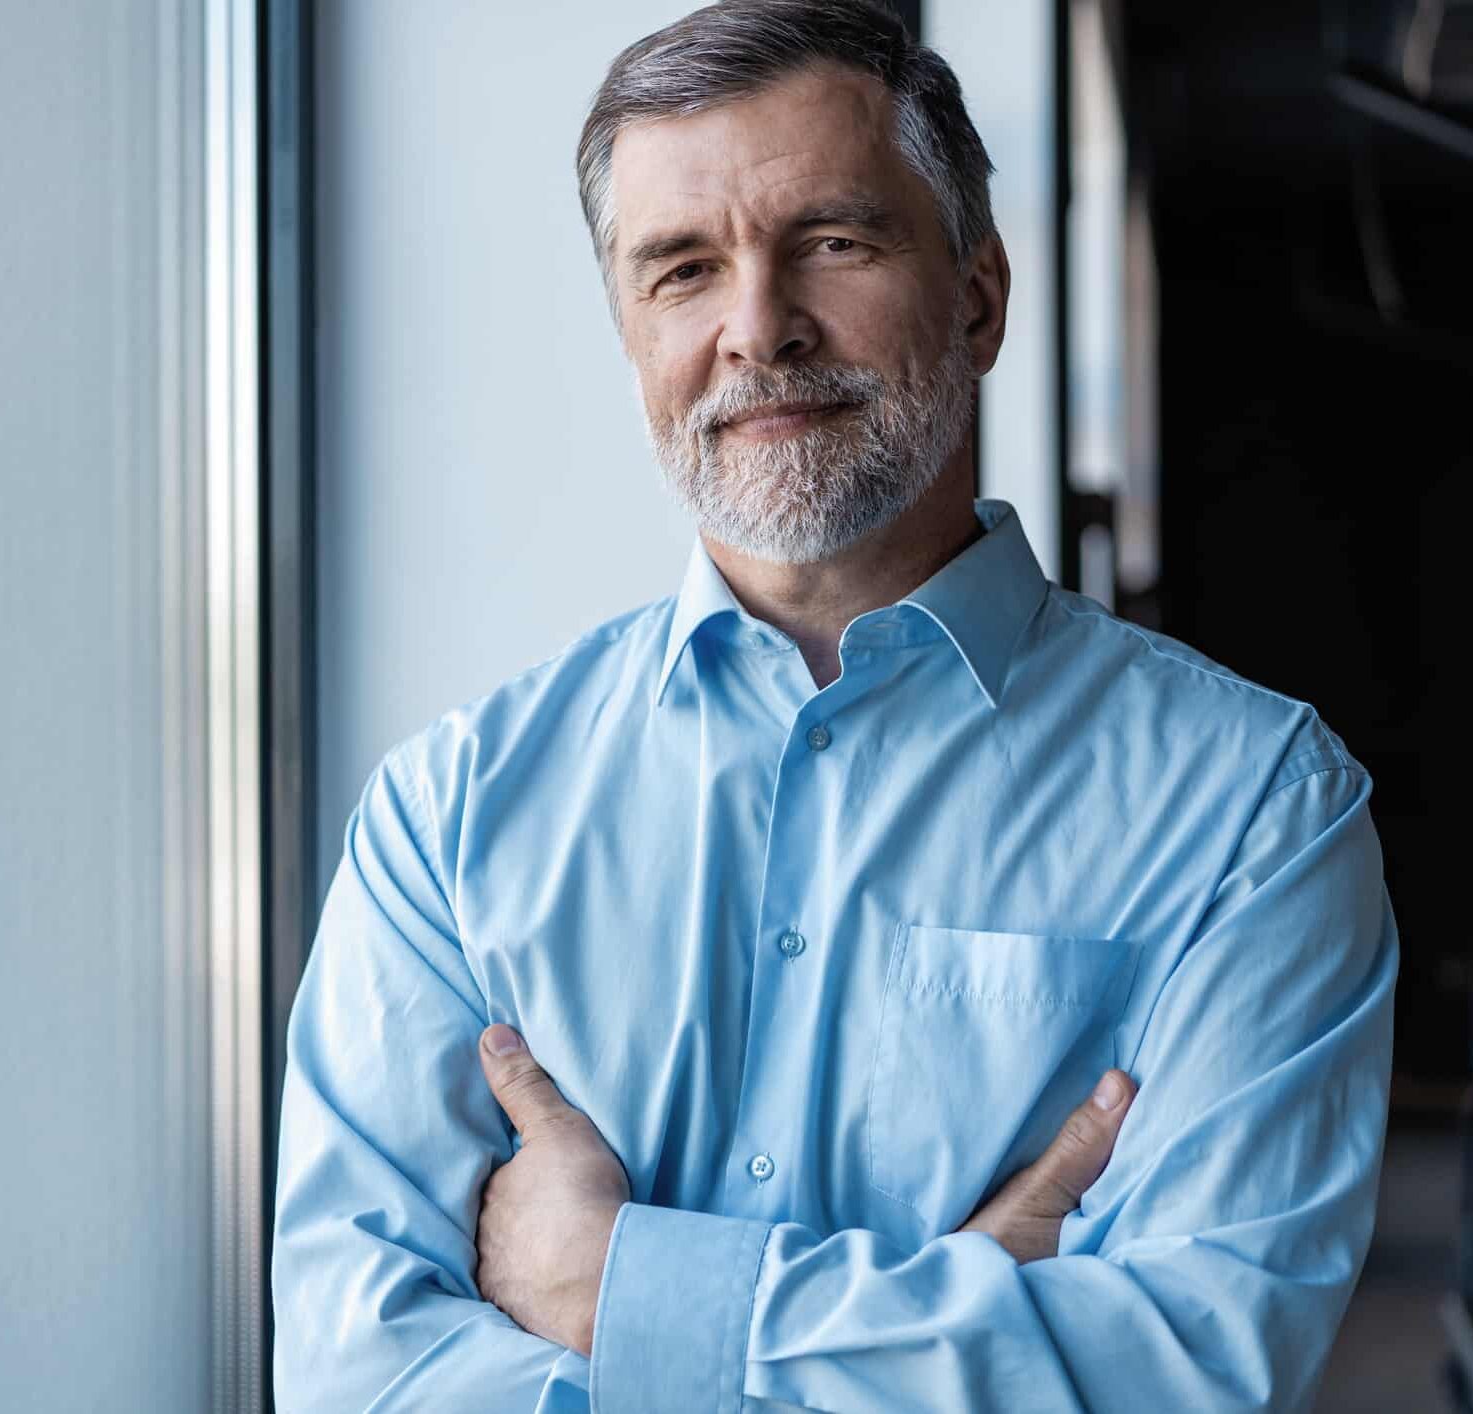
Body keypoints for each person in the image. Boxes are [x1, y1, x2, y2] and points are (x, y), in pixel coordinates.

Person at [270, 2, 1398, 1409]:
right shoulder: (447, 818)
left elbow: (1184, 1368)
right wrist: (968, 1320)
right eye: (682, 269)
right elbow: (356, 1375)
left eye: (831, 242)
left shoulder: (1253, 810)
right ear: (628, 335)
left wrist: (619, 1289)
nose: (759, 330)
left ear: (977, 296)